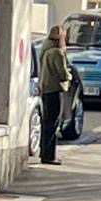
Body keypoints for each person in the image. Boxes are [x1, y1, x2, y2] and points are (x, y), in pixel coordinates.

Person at [37, 25, 72, 165]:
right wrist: (70, 76)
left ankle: (44, 152)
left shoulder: (45, 50)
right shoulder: (57, 52)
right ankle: (49, 156)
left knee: (47, 122)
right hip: (55, 89)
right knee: (53, 123)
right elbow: (62, 73)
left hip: (45, 89)